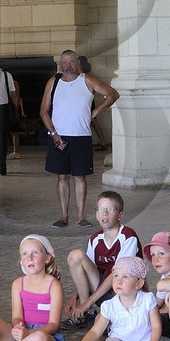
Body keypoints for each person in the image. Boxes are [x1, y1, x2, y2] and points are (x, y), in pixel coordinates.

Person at [40, 49, 119, 229]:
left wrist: (96, 111)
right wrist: (54, 134)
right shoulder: (54, 81)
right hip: (59, 136)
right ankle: (64, 216)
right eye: (65, 62)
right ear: (61, 64)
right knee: (62, 176)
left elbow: (112, 94)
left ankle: (81, 216)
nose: (68, 65)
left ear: (78, 64)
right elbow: (43, 111)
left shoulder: (87, 80)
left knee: (80, 177)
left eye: (71, 62)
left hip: (81, 136)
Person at [50, 255, 160, 341]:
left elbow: (156, 327)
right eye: (116, 276)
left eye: (125, 277)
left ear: (139, 283)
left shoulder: (147, 300)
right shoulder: (109, 305)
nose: (118, 281)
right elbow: (96, 331)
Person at [63, 191, 141, 324]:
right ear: (97, 215)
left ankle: (92, 310)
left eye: (110, 209)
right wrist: (75, 298)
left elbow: (116, 275)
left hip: (124, 294)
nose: (104, 213)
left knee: (107, 327)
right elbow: (85, 274)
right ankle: (86, 314)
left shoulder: (128, 237)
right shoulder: (95, 239)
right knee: (76, 255)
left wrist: (87, 303)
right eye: (100, 209)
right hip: (102, 292)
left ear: (120, 215)